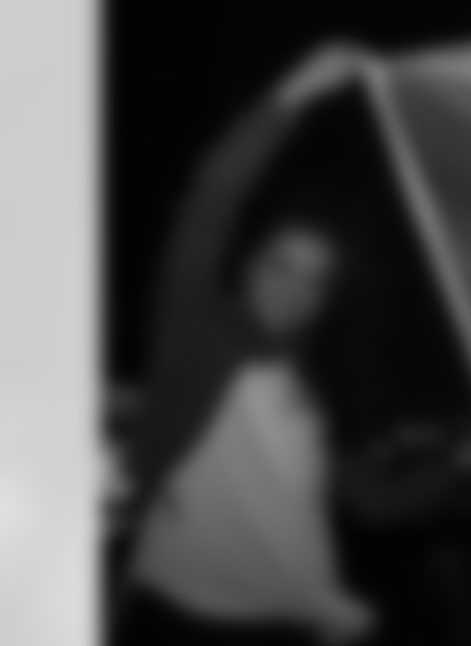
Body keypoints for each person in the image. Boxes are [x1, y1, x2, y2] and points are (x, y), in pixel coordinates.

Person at [115, 214, 377, 646]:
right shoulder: (203, 334)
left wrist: (458, 460)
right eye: (280, 266)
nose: (294, 290)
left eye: (315, 280)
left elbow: (369, 498)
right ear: (248, 267)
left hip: (283, 616)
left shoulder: (301, 378)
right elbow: (202, 220)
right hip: (183, 612)